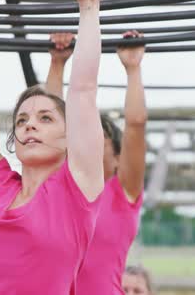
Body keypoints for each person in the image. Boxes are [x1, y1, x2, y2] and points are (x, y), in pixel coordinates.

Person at [0, 0, 105, 293]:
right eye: (22, 120)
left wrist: (89, 5)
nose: (30, 123)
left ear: (70, 138)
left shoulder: (77, 191)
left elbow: (83, 90)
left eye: (46, 118)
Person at [45, 30, 147, 294]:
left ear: (117, 156)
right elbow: (51, 125)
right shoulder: (65, 190)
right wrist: (57, 64)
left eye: (98, 137)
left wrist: (133, 69)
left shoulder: (123, 194)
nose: (86, 142)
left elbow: (135, 125)